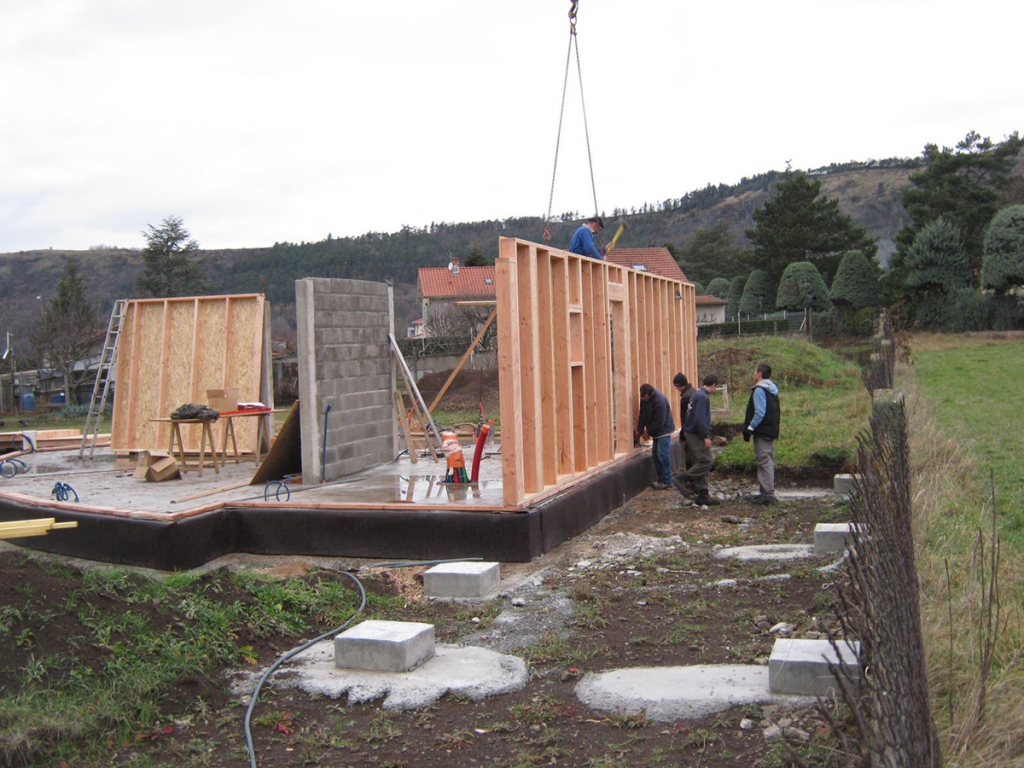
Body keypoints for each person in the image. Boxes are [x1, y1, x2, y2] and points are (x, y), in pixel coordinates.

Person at [672, 374, 721, 506]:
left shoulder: (696, 394)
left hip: (690, 432)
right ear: (714, 385)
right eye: (716, 387)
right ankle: (683, 478)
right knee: (707, 460)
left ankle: (703, 494)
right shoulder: (702, 397)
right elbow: (700, 418)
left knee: (700, 461)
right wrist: (706, 436)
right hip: (696, 434)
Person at [743, 363, 780, 504]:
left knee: (764, 460)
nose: (753, 374)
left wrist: (750, 428)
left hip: (763, 430)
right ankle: (765, 491)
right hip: (771, 429)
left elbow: (759, 412)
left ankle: (768, 494)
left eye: (754, 371)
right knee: (768, 459)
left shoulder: (759, 390)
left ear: (759, 374)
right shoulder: (771, 389)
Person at [635, 383, 674, 490]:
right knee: (656, 455)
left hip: (664, 430)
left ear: (651, 394)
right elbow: (642, 414)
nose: (643, 399)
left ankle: (667, 480)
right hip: (656, 430)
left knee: (662, 454)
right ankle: (662, 479)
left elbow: (659, 422)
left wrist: (648, 432)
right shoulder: (644, 398)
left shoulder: (659, 401)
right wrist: (639, 429)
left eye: (645, 398)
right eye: (642, 397)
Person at [672, 372, 696, 470]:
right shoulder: (693, 392)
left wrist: (682, 434)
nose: (676, 389)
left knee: (689, 453)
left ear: (679, 385)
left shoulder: (686, 397)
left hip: (690, 431)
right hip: (695, 430)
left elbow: (685, 417)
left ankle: (690, 476)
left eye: (676, 386)